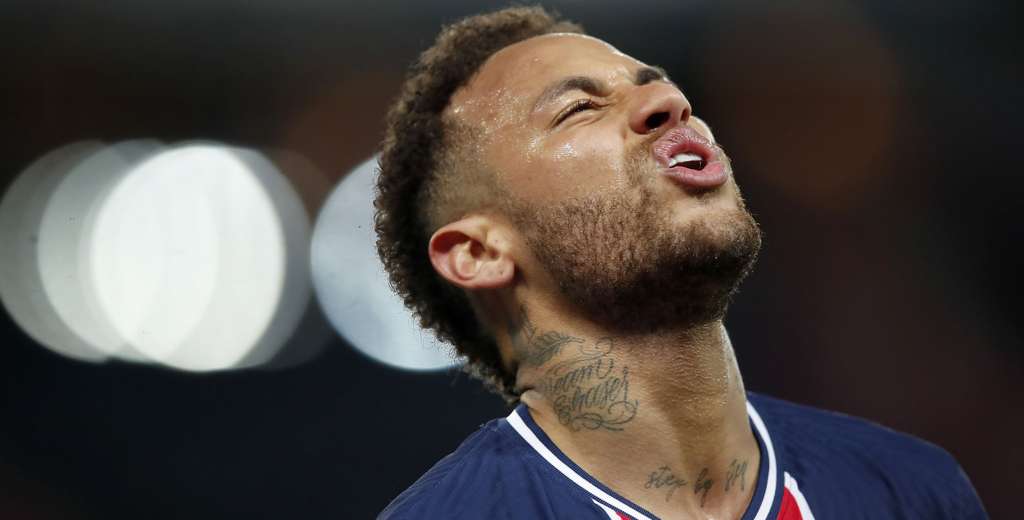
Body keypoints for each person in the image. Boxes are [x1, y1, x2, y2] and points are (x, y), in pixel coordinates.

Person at [373, 6, 986, 520]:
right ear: (478, 254)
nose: (669, 101)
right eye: (579, 108)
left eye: (656, 83)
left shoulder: (911, 490)